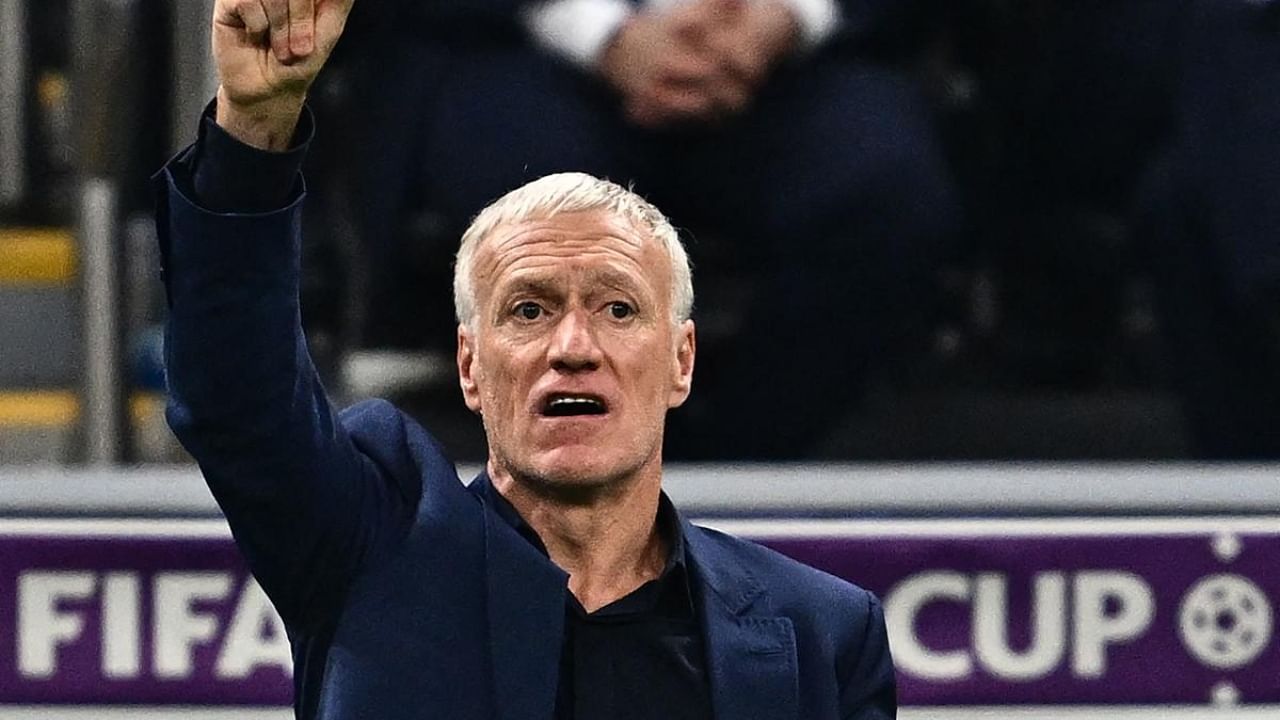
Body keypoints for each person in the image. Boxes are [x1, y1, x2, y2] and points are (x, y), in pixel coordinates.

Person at [153, 1, 895, 717]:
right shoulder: (370, 546)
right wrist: (252, 134)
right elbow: (235, 403)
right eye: (529, 310)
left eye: (618, 309)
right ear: (470, 366)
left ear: (680, 360)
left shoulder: (820, 637)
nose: (572, 349)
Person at [334, 0, 959, 459]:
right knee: (540, 224)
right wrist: (605, 34)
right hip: (523, 46)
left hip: (792, 64)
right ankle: (573, 475)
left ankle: (731, 477)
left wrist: (786, 16)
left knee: (885, 194)